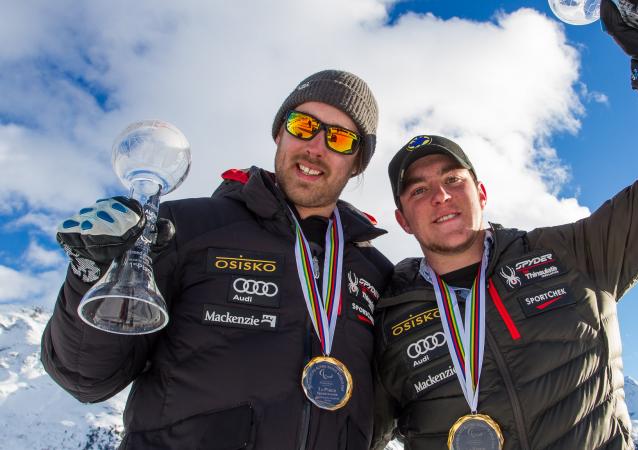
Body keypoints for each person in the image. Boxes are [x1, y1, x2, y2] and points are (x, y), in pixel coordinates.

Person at [371, 1, 638, 448]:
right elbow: (353, 430)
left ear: (481, 194)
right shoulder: (388, 311)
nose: (440, 196)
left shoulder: (571, 255)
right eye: (419, 190)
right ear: (402, 220)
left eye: (453, 180)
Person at [41, 69, 393, 449]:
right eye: (303, 125)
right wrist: (90, 274)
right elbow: (85, 377)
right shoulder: (182, 229)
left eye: (340, 138)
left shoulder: (375, 273)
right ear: (280, 132)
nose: (316, 146)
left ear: (357, 162)